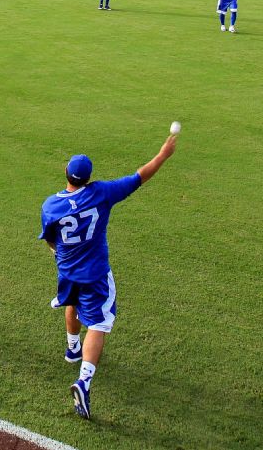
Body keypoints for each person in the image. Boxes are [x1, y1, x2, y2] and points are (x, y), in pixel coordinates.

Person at [38, 132, 179, 420]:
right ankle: (84, 382)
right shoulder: (101, 193)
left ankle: (72, 349)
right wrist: (163, 154)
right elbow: (139, 177)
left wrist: (60, 254)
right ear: (87, 178)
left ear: (66, 174)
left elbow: (50, 240)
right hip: (96, 275)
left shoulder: (50, 205)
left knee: (72, 302)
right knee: (100, 323)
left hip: (67, 271)